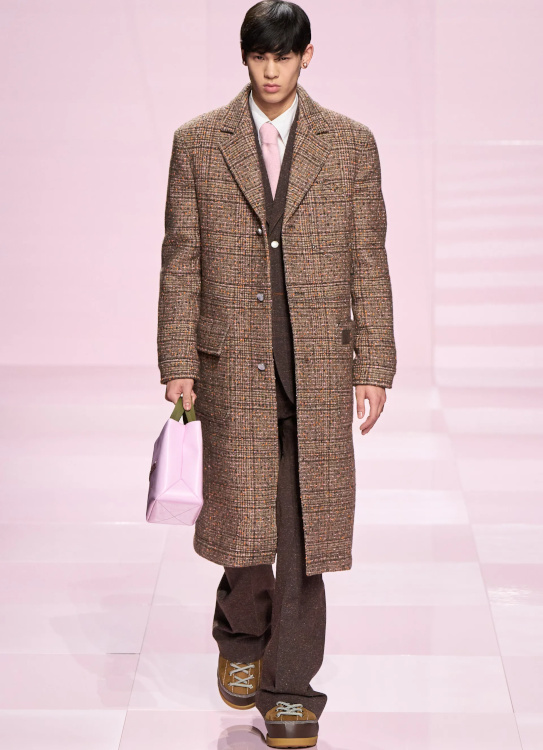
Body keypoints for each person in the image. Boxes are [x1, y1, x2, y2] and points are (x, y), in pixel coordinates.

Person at [156, 1, 397, 746]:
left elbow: (367, 256)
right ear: (245, 57)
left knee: (303, 538)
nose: (270, 70)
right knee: (245, 526)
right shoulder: (199, 142)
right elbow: (181, 258)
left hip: (317, 364)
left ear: (305, 57)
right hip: (232, 365)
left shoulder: (349, 144)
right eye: (259, 56)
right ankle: (239, 631)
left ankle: (290, 691)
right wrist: (177, 360)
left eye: (283, 57)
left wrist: (374, 363)